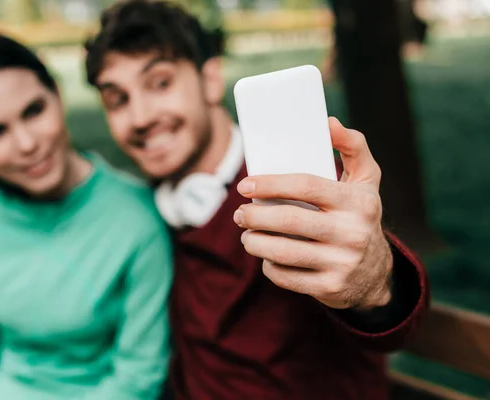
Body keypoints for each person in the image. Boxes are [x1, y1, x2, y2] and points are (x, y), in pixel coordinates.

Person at [84, 1, 430, 399]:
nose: (140, 116)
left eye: (160, 83)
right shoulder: (146, 213)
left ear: (210, 79)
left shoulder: (294, 186)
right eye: (117, 100)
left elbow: (385, 298)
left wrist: (374, 280)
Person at [0, 31, 172, 400]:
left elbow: (138, 377)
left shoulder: (138, 219)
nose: (26, 144)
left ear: (58, 95)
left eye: (34, 111)